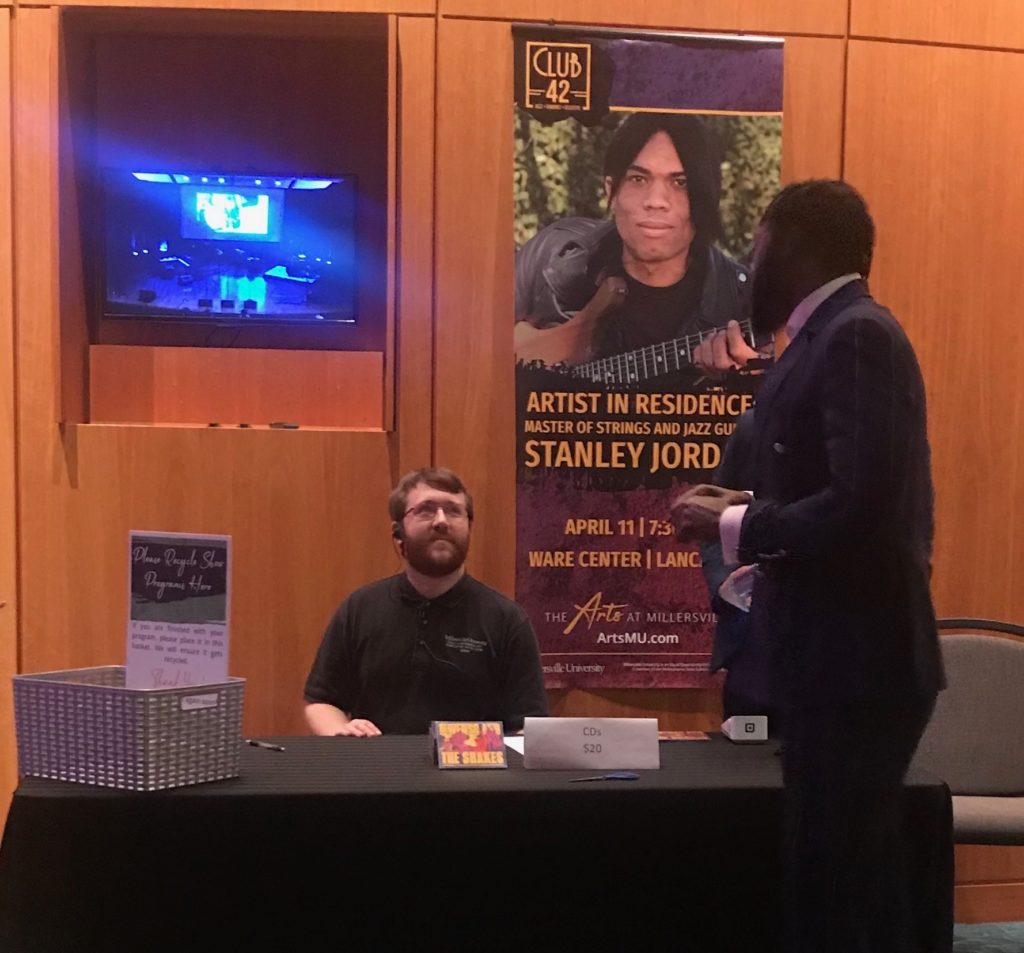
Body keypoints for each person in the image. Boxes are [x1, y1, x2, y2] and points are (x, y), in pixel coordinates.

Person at [671, 180, 945, 953]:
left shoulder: (858, 335)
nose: (748, 269)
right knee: (841, 880)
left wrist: (731, 520)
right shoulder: (829, 336)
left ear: (792, 246)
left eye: (755, 249)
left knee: (843, 890)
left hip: (858, 664)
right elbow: (837, 487)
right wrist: (745, 497)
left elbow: (861, 507)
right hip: (834, 660)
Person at [304, 467, 549, 736]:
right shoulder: (359, 608)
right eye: (426, 510)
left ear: (469, 527)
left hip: (474, 775)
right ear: (398, 532)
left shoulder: (507, 620)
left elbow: (526, 728)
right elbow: (322, 701)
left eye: (454, 511)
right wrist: (341, 731)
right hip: (377, 773)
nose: (441, 521)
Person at [513, 112, 759, 380]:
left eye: (680, 183)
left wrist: (751, 381)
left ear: (707, 198)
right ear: (611, 190)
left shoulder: (743, 301)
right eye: (638, 179)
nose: (656, 201)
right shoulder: (552, 254)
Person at [698, 408, 774, 724]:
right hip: (752, 650)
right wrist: (724, 584)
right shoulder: (755, 426)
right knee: (744, 768)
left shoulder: (861, 437)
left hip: (833, 657)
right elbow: (717, 515)